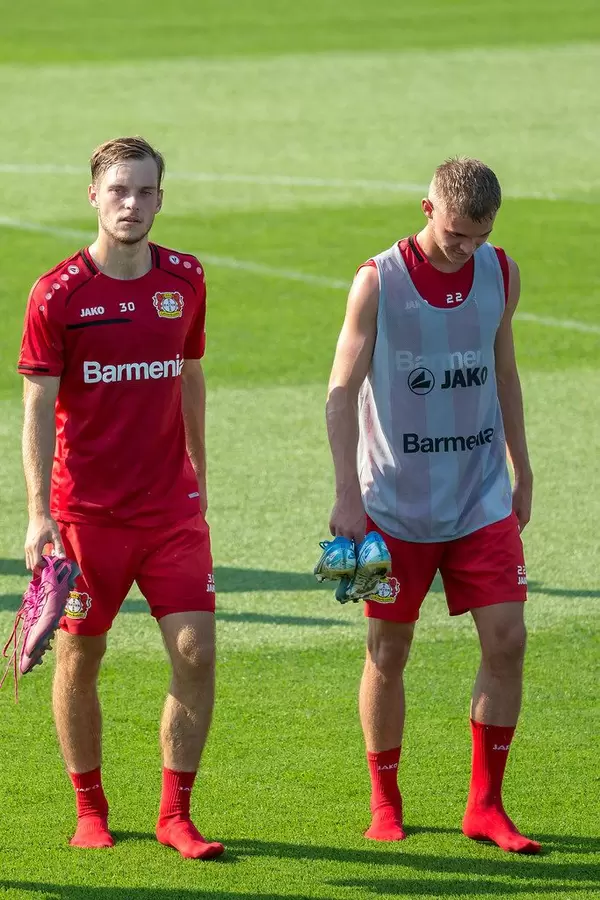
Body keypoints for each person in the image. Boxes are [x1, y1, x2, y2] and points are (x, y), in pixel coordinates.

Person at [326, 157, 540, 854]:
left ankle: (486, 806)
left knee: (509, 640)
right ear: (426, 209)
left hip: (480, 496)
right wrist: (346, 496)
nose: (466, 249)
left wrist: (523, 467)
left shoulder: (501, 273)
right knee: (388, 648)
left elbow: (503, 367)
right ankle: (385, 802)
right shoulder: (376, 282)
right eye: (454, 234)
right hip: (392, 502)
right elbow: (338, 394)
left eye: (479, 236)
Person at [18, 136, 224, 859]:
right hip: (87, 520)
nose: (131, 204)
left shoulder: (188, 279)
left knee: (196, 653)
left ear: (161, 198)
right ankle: (89, 808)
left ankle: (177, 814)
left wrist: (200, 467)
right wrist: (39, 513)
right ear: (94, 197)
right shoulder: (58, 294)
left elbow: (190, 373)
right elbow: (37, 407)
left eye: (144, 191)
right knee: (81, 658)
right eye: (118, 191)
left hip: (170, 512)